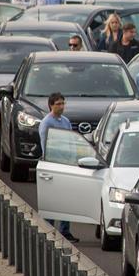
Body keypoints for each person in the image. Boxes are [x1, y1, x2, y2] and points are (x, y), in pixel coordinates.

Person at [38, 93, 78, 242]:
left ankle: (65, 231)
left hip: (66, 165)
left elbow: (70, 141)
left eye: (63, 103)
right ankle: (49, 229)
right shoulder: (46, 123)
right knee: (53, 199)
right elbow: (46, 146)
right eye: (58, 104)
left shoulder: (66, 121)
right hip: (53, 165)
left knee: (66, 200)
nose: (61, 106)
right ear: (51, 106)